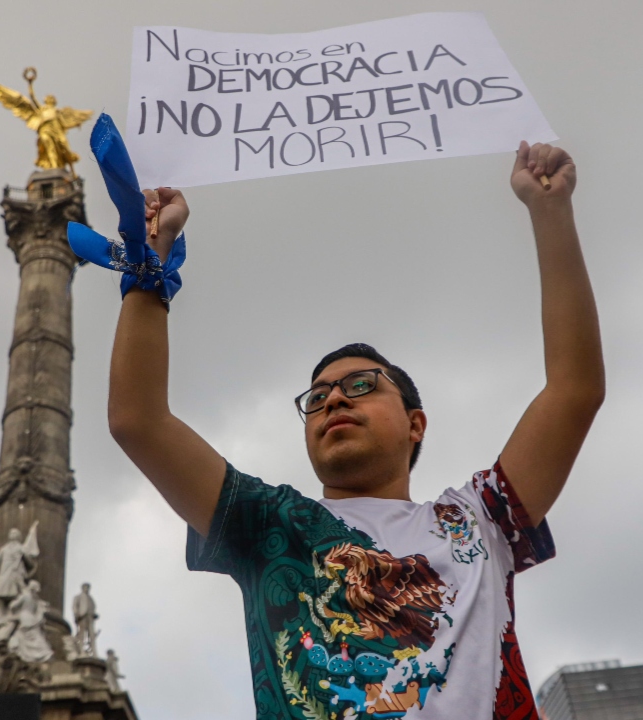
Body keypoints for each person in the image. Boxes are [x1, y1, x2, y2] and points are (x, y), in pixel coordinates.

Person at [105, 141, 604, 719]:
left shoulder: (481, 519)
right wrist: (150, 264)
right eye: (316, 398)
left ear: (415, 424)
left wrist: (551, 212)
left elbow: (575, 390)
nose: (335, 397)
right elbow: (136, 421)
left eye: (363, 385)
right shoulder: (268, 524)